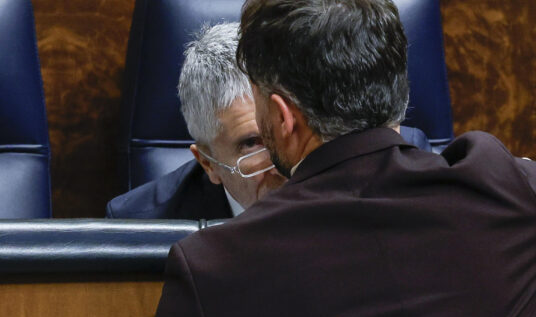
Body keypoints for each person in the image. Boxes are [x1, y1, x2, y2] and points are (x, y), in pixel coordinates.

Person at [150, 0, 536, 317]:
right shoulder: (501, 192)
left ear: (281, 116)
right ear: (398, 94)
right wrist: (517, 175)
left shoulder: (213, 269)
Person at [105, 22, 431, 220]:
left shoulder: (396, 157)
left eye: (290, 126)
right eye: (253, 143)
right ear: (208, 164)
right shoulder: (141, 225)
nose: (284, 158)